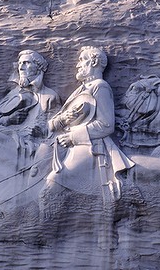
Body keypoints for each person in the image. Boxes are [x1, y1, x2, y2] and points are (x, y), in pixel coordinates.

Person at [41, 46, 135, 203]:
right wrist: (61, 120)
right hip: (66, 144)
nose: (77, 65)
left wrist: (73, 137)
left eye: (81, 60)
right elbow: (56, 122)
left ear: (94, 62)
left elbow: (106, 124)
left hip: (90, 147)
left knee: (50, 188)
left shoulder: (100, 86)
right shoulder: (82, 89)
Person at [0, 50, 60, 138]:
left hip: (31, 143)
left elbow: (56, 129)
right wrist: (9, 119)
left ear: (38, 67)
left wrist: (39, 132)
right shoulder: (13, 93)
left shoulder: (50, 96)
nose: (21, 68)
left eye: (26, 63)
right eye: (19, 63)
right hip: (7, 138)